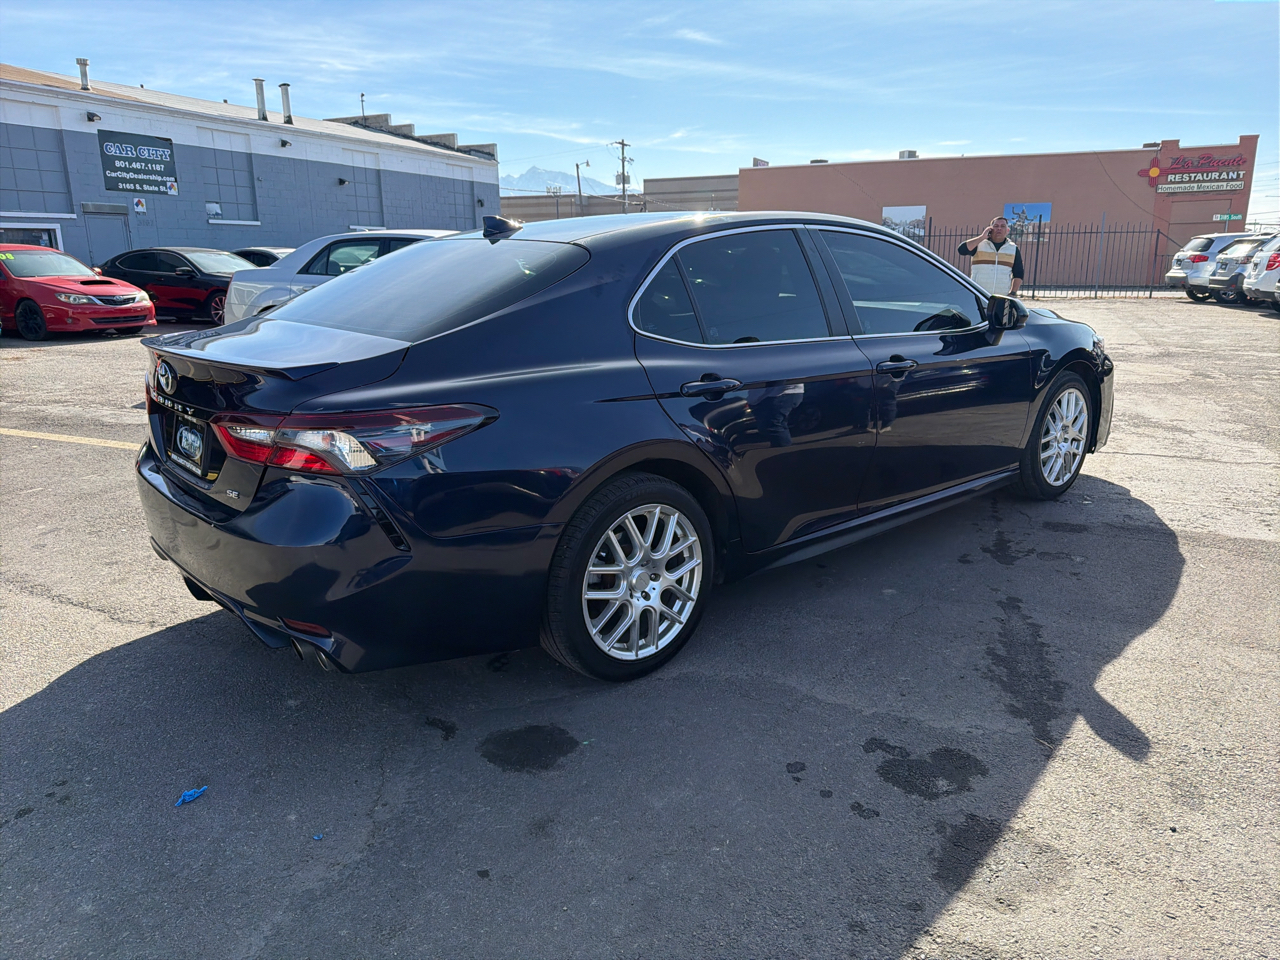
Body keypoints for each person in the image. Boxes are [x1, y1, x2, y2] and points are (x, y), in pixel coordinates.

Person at [958, 217, 1024, 295]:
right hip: (978, 294)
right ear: (990, 229)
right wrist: (982, 237)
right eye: (996, 226)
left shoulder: (1013, 249)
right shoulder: (979, 244)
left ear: (1007, 230)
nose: (999, 228)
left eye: (1003, 226)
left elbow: (1018, 273)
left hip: (1001, 296)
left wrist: (1013, 293)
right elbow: (962, 250)